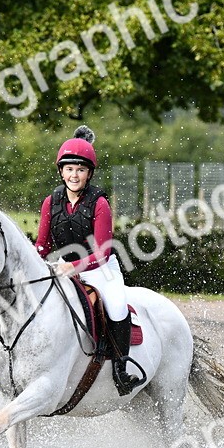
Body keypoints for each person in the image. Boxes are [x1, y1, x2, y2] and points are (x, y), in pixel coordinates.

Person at [33, 124, 143, 395]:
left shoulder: (99, 203)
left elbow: (103, 252)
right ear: (61, 171)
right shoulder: (51, 201)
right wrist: (33, 261)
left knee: (116, 307)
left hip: (100, 269)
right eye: (69, 169)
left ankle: (121, 367)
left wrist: (73, 266)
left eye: (80, 170)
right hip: (60, 268)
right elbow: (43, 244)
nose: (74, 175)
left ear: (89, 173)